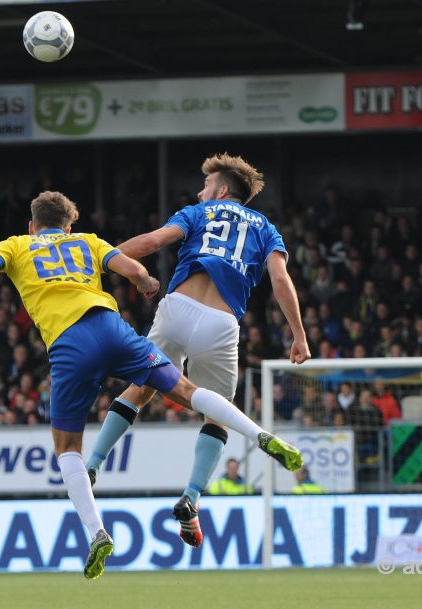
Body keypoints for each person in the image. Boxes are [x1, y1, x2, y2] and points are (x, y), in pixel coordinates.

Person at [0, 191, 302, 580]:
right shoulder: (88, 241)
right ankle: (259, 433)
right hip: (112, 327)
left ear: (32, 225)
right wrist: (145, 283)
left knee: (66, 449)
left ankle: (97, 532)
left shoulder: (16, 246)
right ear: (68, 225)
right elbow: (135, 268)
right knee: (188, 392)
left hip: (70, 345)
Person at [84, 153, 310, 548]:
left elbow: (153, 242)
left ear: (221, 190)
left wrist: (98, 259)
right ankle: (191, 496)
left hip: (177, 309)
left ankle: (91, 465)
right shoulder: (268, 229)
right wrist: (299, 334)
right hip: (220, 325)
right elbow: (280, 278)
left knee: (142, 388)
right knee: (217, 413)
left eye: (206, 187)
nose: (200, 192)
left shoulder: (197, 212)